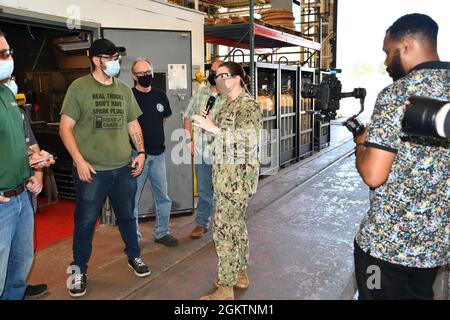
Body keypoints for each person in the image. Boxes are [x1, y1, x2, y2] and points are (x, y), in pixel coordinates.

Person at [353, 13, 450, 300]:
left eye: (388, 52)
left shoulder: (397, 94)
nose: (385, 62)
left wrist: (362, 145)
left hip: (384, 250)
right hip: (434, 247)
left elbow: (373, 175)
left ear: (406, 45)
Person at [59, 39, 151, 298]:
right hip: (92, 172)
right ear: (96, 60)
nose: (115, 62)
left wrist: (141, 152)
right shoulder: (79, 88)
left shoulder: (123, 90)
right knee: (85, 222)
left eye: (117, 57)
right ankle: (78, 270)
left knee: (127, 217)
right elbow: (65, 128)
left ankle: (134, 256)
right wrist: (79, 160)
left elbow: (133, 125)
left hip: (123, 169)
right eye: (110, 58)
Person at [192, 62, 262, 300]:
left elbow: (247, 142)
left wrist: (213, 129)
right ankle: (239, 274)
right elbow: (219, 139)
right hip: (223, 176)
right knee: (236, 227)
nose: (217, 80)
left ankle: (225, 287)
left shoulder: (248, 106)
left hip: (237, 180)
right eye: (216, 76)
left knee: (224, 231)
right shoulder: (225, 105)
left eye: (222, 75)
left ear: (236, 79)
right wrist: (209, 122)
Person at [0, 30, 54, 300]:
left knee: (20, 261)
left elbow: (22, 144)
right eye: (2, 54)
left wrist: (36, 165)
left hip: (23, 196)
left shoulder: (8, 98)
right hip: (3, 203)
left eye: (8, 52)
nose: (9, 58)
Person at [131, 58, 178, 247]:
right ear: (134, 76)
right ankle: (133, 239)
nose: (146, 76)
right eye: (141, 73)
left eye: (148, 72)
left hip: (158, 155)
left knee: (163, 197)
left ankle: (162, 232)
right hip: (136, 156)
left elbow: (162, 119)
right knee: (132, 200)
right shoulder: (129, 96)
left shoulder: (160, 95)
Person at [183, 60, 225, 239]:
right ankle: (202, 222)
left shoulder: (229, 96)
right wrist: (188, 140)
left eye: (216, 72)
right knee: (203, 189)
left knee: (224, 190)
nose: (212, 74)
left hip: (222, 152)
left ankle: (224, 225)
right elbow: (187, 116)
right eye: (211, 70)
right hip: (201, 150)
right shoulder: (201, 91)